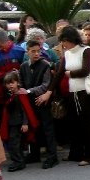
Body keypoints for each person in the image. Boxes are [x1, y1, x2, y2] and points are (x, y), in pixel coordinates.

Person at [37, 26, 90, 166]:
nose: (63, 44)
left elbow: (85, 70)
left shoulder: (87, 50)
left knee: (86, 124)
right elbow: (59, 74)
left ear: (71, 39)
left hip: (86, 92)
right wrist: (48, 91)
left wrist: (70, 74)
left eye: (65, 41)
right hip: (73, 92)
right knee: (74, 123)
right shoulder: (67, 53)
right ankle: (75, 153)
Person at [19, 40, 59, 169]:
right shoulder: (24, 66)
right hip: (30, 101)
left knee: (47, 128)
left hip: (42, 100)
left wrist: (29, 91)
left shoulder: (45, 65)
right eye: (33, 51)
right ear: (27, 51)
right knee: (32, 127)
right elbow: (22, 82)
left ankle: (52, 155)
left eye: (39, 51)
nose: (37, 54)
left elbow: (45, 84)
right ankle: (34, 153)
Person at [0, 71, 39, 172]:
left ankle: (18, 161)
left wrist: (25, 123)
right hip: (12, 123)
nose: (10, 85)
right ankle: (19, 160)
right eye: (8, 83)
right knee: (16, 143)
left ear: (17, 82)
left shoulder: (20, 95)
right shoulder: (10, 95)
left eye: (12, 82)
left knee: (15, 144)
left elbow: (25, 110)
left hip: (18, 124)